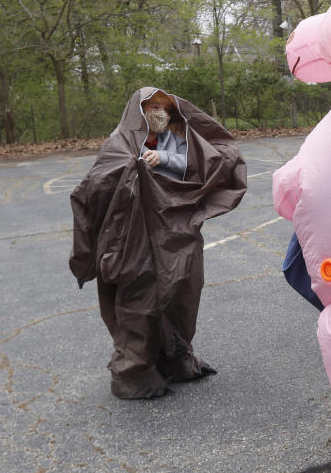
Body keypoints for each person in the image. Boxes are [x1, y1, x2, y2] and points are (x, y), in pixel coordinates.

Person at [69, 87, 247, 399]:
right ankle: (134, 373)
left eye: (164, 106)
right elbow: (96, 185)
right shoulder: (120, 142)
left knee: (180, 292)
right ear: (138, 110)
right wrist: (134, 168)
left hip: (174, 232)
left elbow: (195, 166)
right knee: (138, 301)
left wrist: (162, 158)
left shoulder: (176, 137)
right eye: (152, 106)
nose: (159, 111)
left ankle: (176, 359)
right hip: (131, 239)